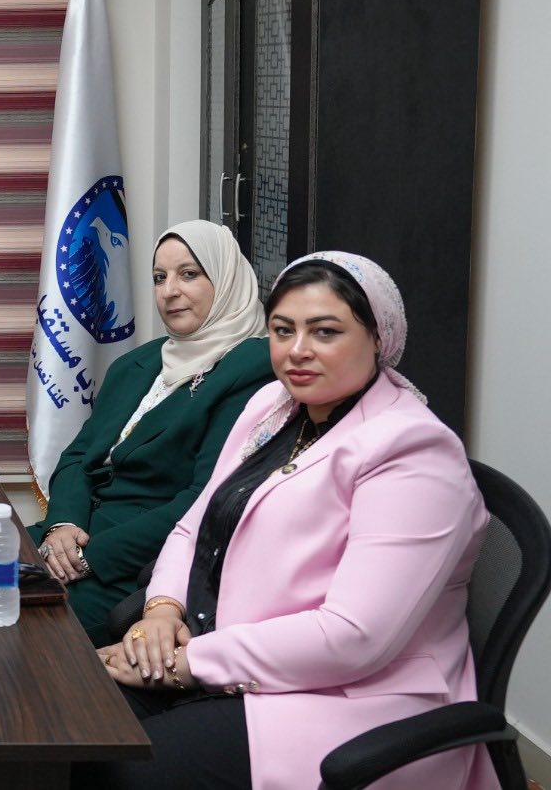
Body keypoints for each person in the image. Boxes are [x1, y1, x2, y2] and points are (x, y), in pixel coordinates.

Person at [85, 252, 496, 790]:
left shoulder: (413, 452)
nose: (298, 350)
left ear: (379, 338)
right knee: (74, 719)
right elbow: (195, 524)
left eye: (325, 332)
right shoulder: (274, 406)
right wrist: (161, 614)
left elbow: (353, 637)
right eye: (283, 330)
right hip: (229, 658)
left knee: (121, 768)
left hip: (344, 700)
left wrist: (188, 663)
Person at [28, 221, 272, 644]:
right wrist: (62, 525)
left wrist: (89, 557)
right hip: (73, 535)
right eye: (159, 277)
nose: (169, 291)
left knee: (12, 625)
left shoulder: (251, 369)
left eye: (189, 274)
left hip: (135, 566)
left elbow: (205, 499)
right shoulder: (136, 363)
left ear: (226, 279)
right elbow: (78, 456)